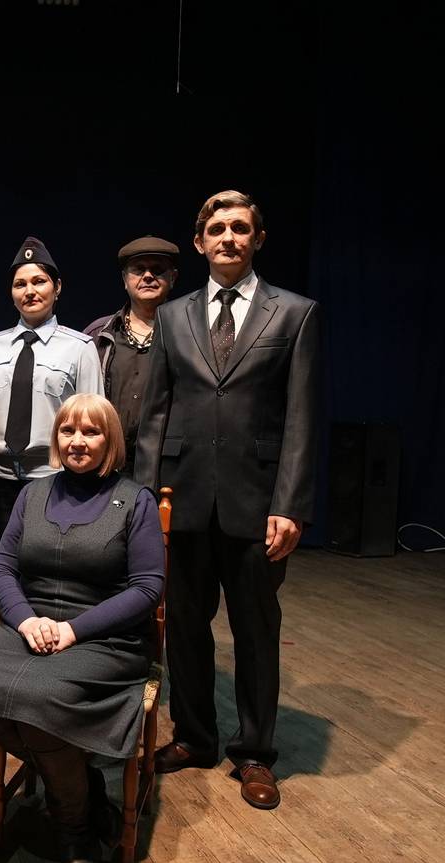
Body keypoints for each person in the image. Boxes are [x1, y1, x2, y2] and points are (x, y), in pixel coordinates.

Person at [134, 190, 321, 810]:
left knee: (256, 631)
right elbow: (155, 414)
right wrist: (144, 500)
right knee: (185, 626)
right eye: (217, 229)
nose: (229, 238)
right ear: (200, 242)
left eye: (241, 228)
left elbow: (301, 419)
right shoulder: (172, 316)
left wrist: (290, 504)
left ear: (257, 239)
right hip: (181, 498)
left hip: (258, 503)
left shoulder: (294, 313)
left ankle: (255, 753)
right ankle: (194, 737)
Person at [0, 393, 164, 863]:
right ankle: (82, 785)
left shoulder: (136, 501)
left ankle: (76, 833)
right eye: (68, 431)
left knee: (41, 700)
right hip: (31, 626)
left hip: (105, 636)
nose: (77, 441)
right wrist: (25, 620)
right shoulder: (33, 494)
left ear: (111, 441)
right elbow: (1, 567)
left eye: (91, 432)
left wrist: (74, 630)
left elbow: (147, 589)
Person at [0, 236, 103, 581]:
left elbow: (94, 422)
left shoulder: (80, 348)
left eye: (39, 281)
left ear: (57, 287)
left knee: (49, 574)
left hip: (53, 480)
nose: (29, 291)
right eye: (20, 284)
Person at [83, 236, 180, 475]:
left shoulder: (188, 332)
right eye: (138, 270)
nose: (148, 276)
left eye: (157, 270)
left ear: (173, 278)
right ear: (125, 279)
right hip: (107, 464)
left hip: (167, 465)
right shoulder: (98, 335)